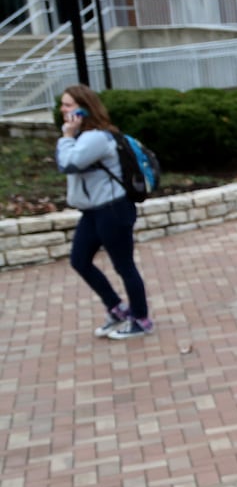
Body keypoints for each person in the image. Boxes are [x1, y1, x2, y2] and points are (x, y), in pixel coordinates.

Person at [56, 85, 153, 340]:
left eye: (67, 105)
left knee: (124, 266)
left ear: (83, 108)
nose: (62, 110)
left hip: (113, 209)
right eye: (63, 105)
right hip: (93, 211)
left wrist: (66, 135)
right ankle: (117, 308)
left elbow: (68, 164)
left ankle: (141, 319)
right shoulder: (83, 136)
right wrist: (70, 136)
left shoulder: (96, 137)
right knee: (79, 260)